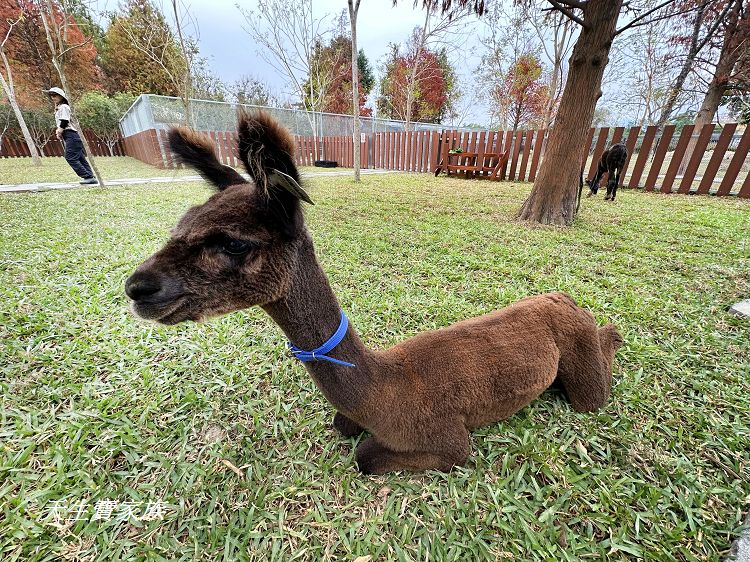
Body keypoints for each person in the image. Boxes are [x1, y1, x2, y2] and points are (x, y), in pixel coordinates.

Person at [44, 87, 97, 185]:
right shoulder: (60, 107)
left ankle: (87, 176)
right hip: (70, 135)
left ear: (61, 96)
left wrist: (59, 131)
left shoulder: (64, 107)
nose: (53, 97)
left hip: (71, 135)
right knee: (80, 157)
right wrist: (59, 131)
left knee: (70, 157)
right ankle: (90, 176)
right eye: (51, 95)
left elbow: (64, 121)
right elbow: (61, 122)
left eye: (55, 95)